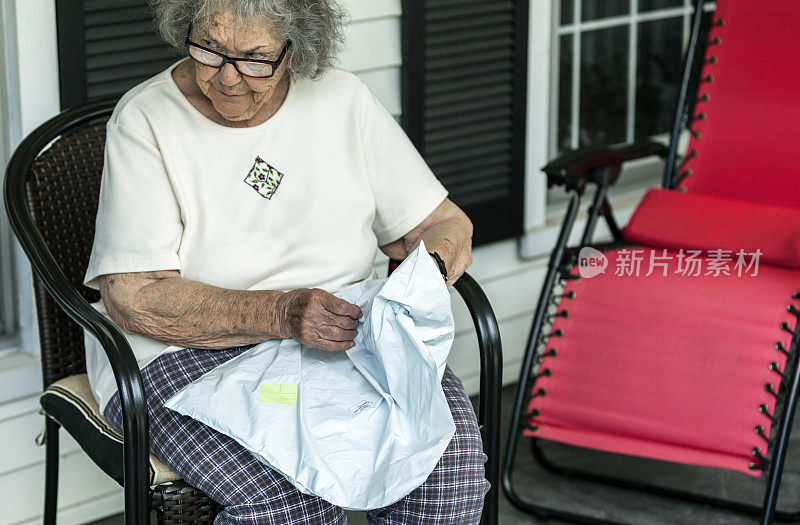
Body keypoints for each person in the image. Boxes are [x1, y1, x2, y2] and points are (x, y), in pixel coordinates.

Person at [83, 0, 487, 523]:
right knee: (290, 501)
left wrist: (422, 280)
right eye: (209, 49)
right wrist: (281, 313)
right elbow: (134, 298)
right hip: (181, 354)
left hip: (346, 334)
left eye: (255, 58)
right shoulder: (145, 119)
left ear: (296, 51)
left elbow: (441, 224)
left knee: (444, 477)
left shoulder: (343, 100)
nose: (228, 77)